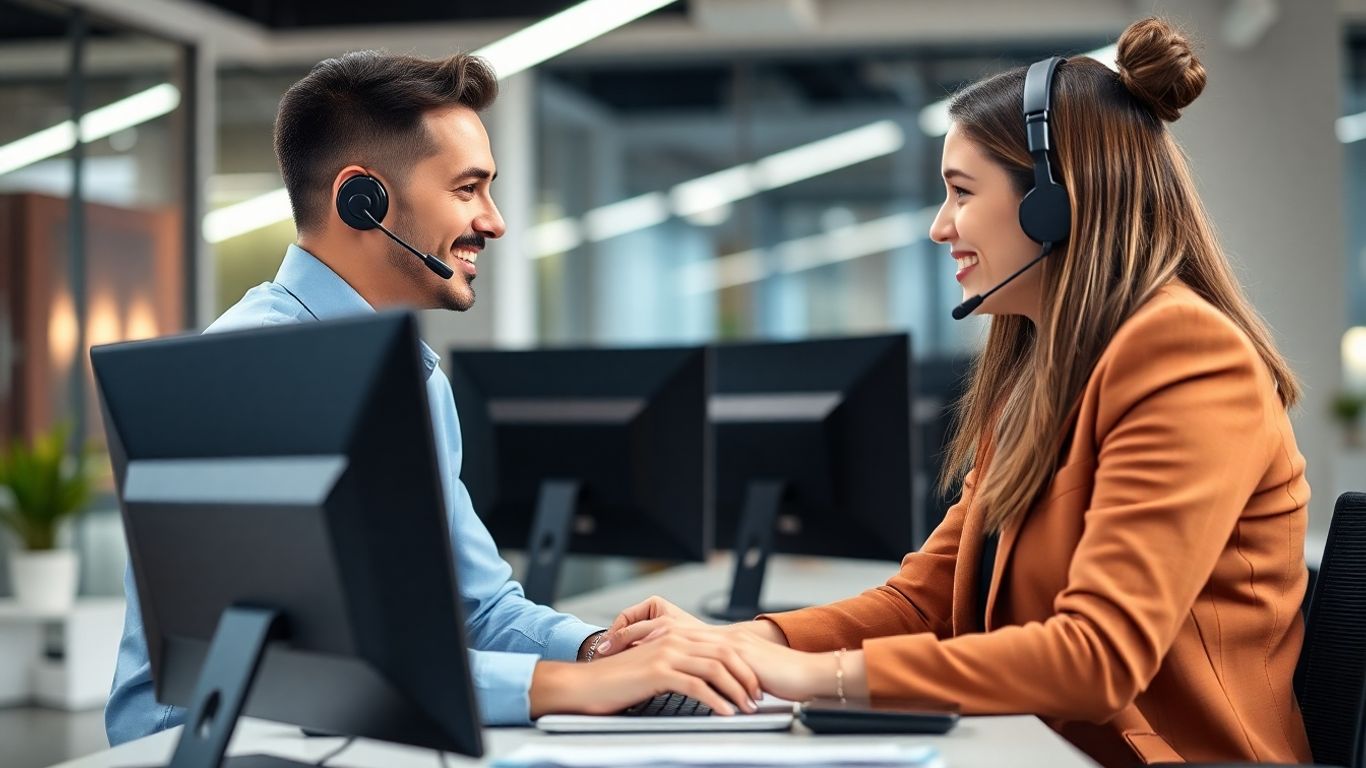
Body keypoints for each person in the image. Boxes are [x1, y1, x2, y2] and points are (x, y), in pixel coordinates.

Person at [599, 17, 1312, 767]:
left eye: (961, 192)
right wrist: (746, 641)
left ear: (1054, 204)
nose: (941, 228)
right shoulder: (1039, 375)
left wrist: (812, 675)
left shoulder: (1187, 354)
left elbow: (1098, 657)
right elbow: (927, 601)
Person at [105, 50, 763, 746]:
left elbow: (479, 610)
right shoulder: (243, 371)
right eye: (468, 188)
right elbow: (291, 671)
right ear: (365, 199)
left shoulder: (415, 382)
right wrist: (572, 688)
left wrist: (601, 651)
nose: (497, 221)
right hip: (205, 746)